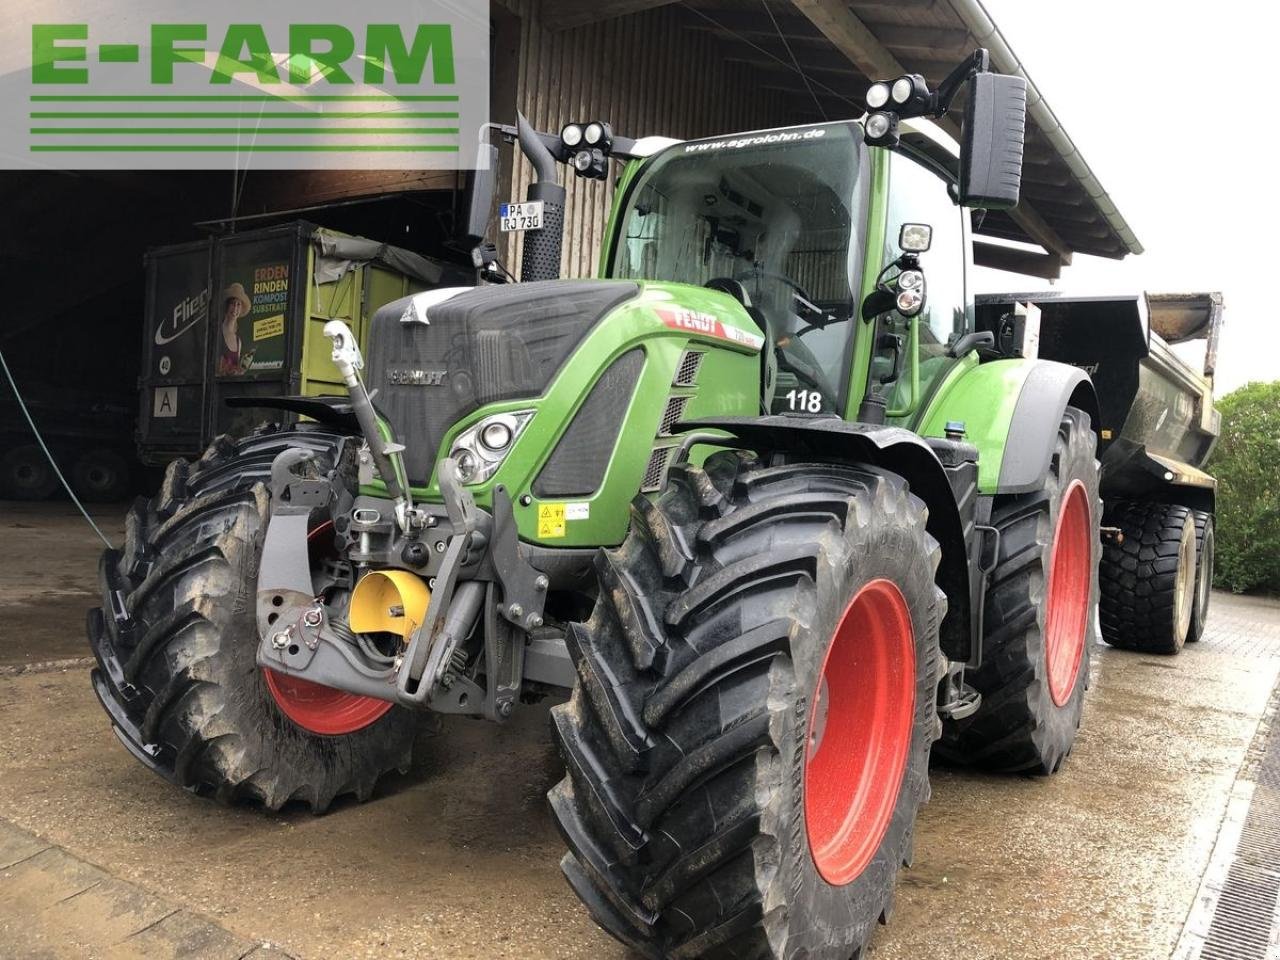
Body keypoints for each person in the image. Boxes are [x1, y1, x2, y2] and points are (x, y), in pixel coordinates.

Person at [216, 282, 253, 376]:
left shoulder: (238, 342)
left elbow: (237, 373)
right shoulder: (217, 333)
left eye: (238, 304)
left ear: (241, 309)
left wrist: (241, 370)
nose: (235, 308)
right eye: (232, 303)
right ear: (227, 306)